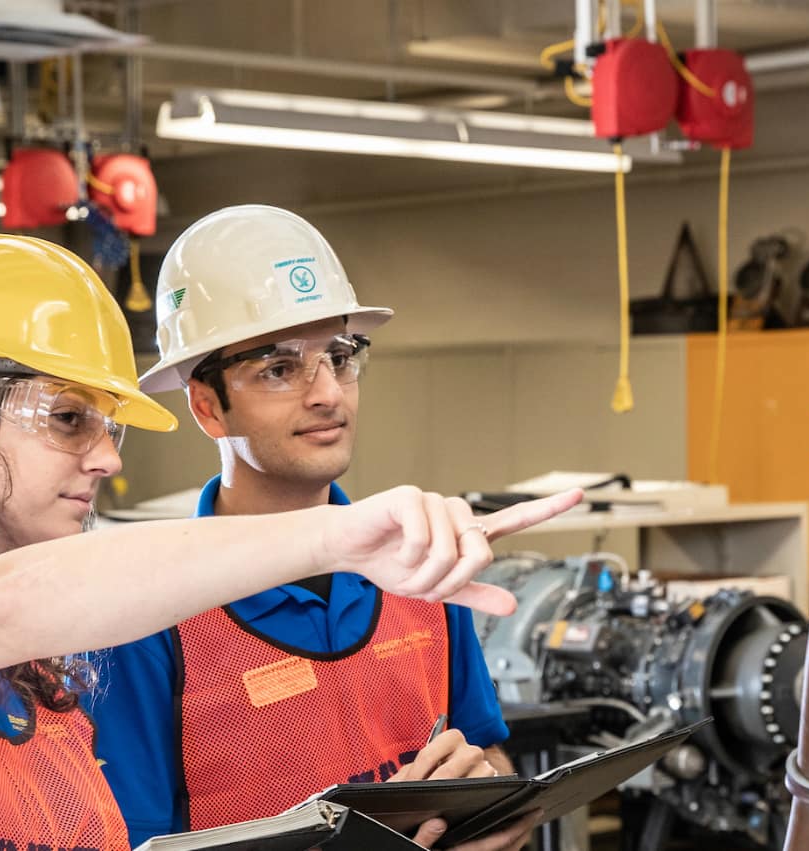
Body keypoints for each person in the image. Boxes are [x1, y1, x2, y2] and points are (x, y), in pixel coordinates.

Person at [0, 234, 577, 851]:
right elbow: (8, 601)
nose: (104, 460)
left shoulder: (41, 694)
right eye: (67, 419)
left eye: (112, 427)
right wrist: (339, 533)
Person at [87, 206, 536, 850]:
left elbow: (487, 755)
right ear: (209, 408)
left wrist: (497, 806)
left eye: (339, 356)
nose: (327, 394)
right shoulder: (146, 621)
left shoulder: (421, 566)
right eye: (279, 368)